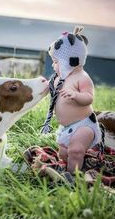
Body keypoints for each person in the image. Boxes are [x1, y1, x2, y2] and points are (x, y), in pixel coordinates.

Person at [41, 26, 102, 174]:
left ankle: (72, 177)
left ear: (69, 61)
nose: (53, 65)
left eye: (56, 62)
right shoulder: (59, 78)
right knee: (63, 153)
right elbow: (51, 90)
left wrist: (76, 96)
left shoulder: (82, 77)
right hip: (66, 127)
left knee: (75, 151)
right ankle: (67, 168)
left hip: (84, 125)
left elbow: (89, 98)